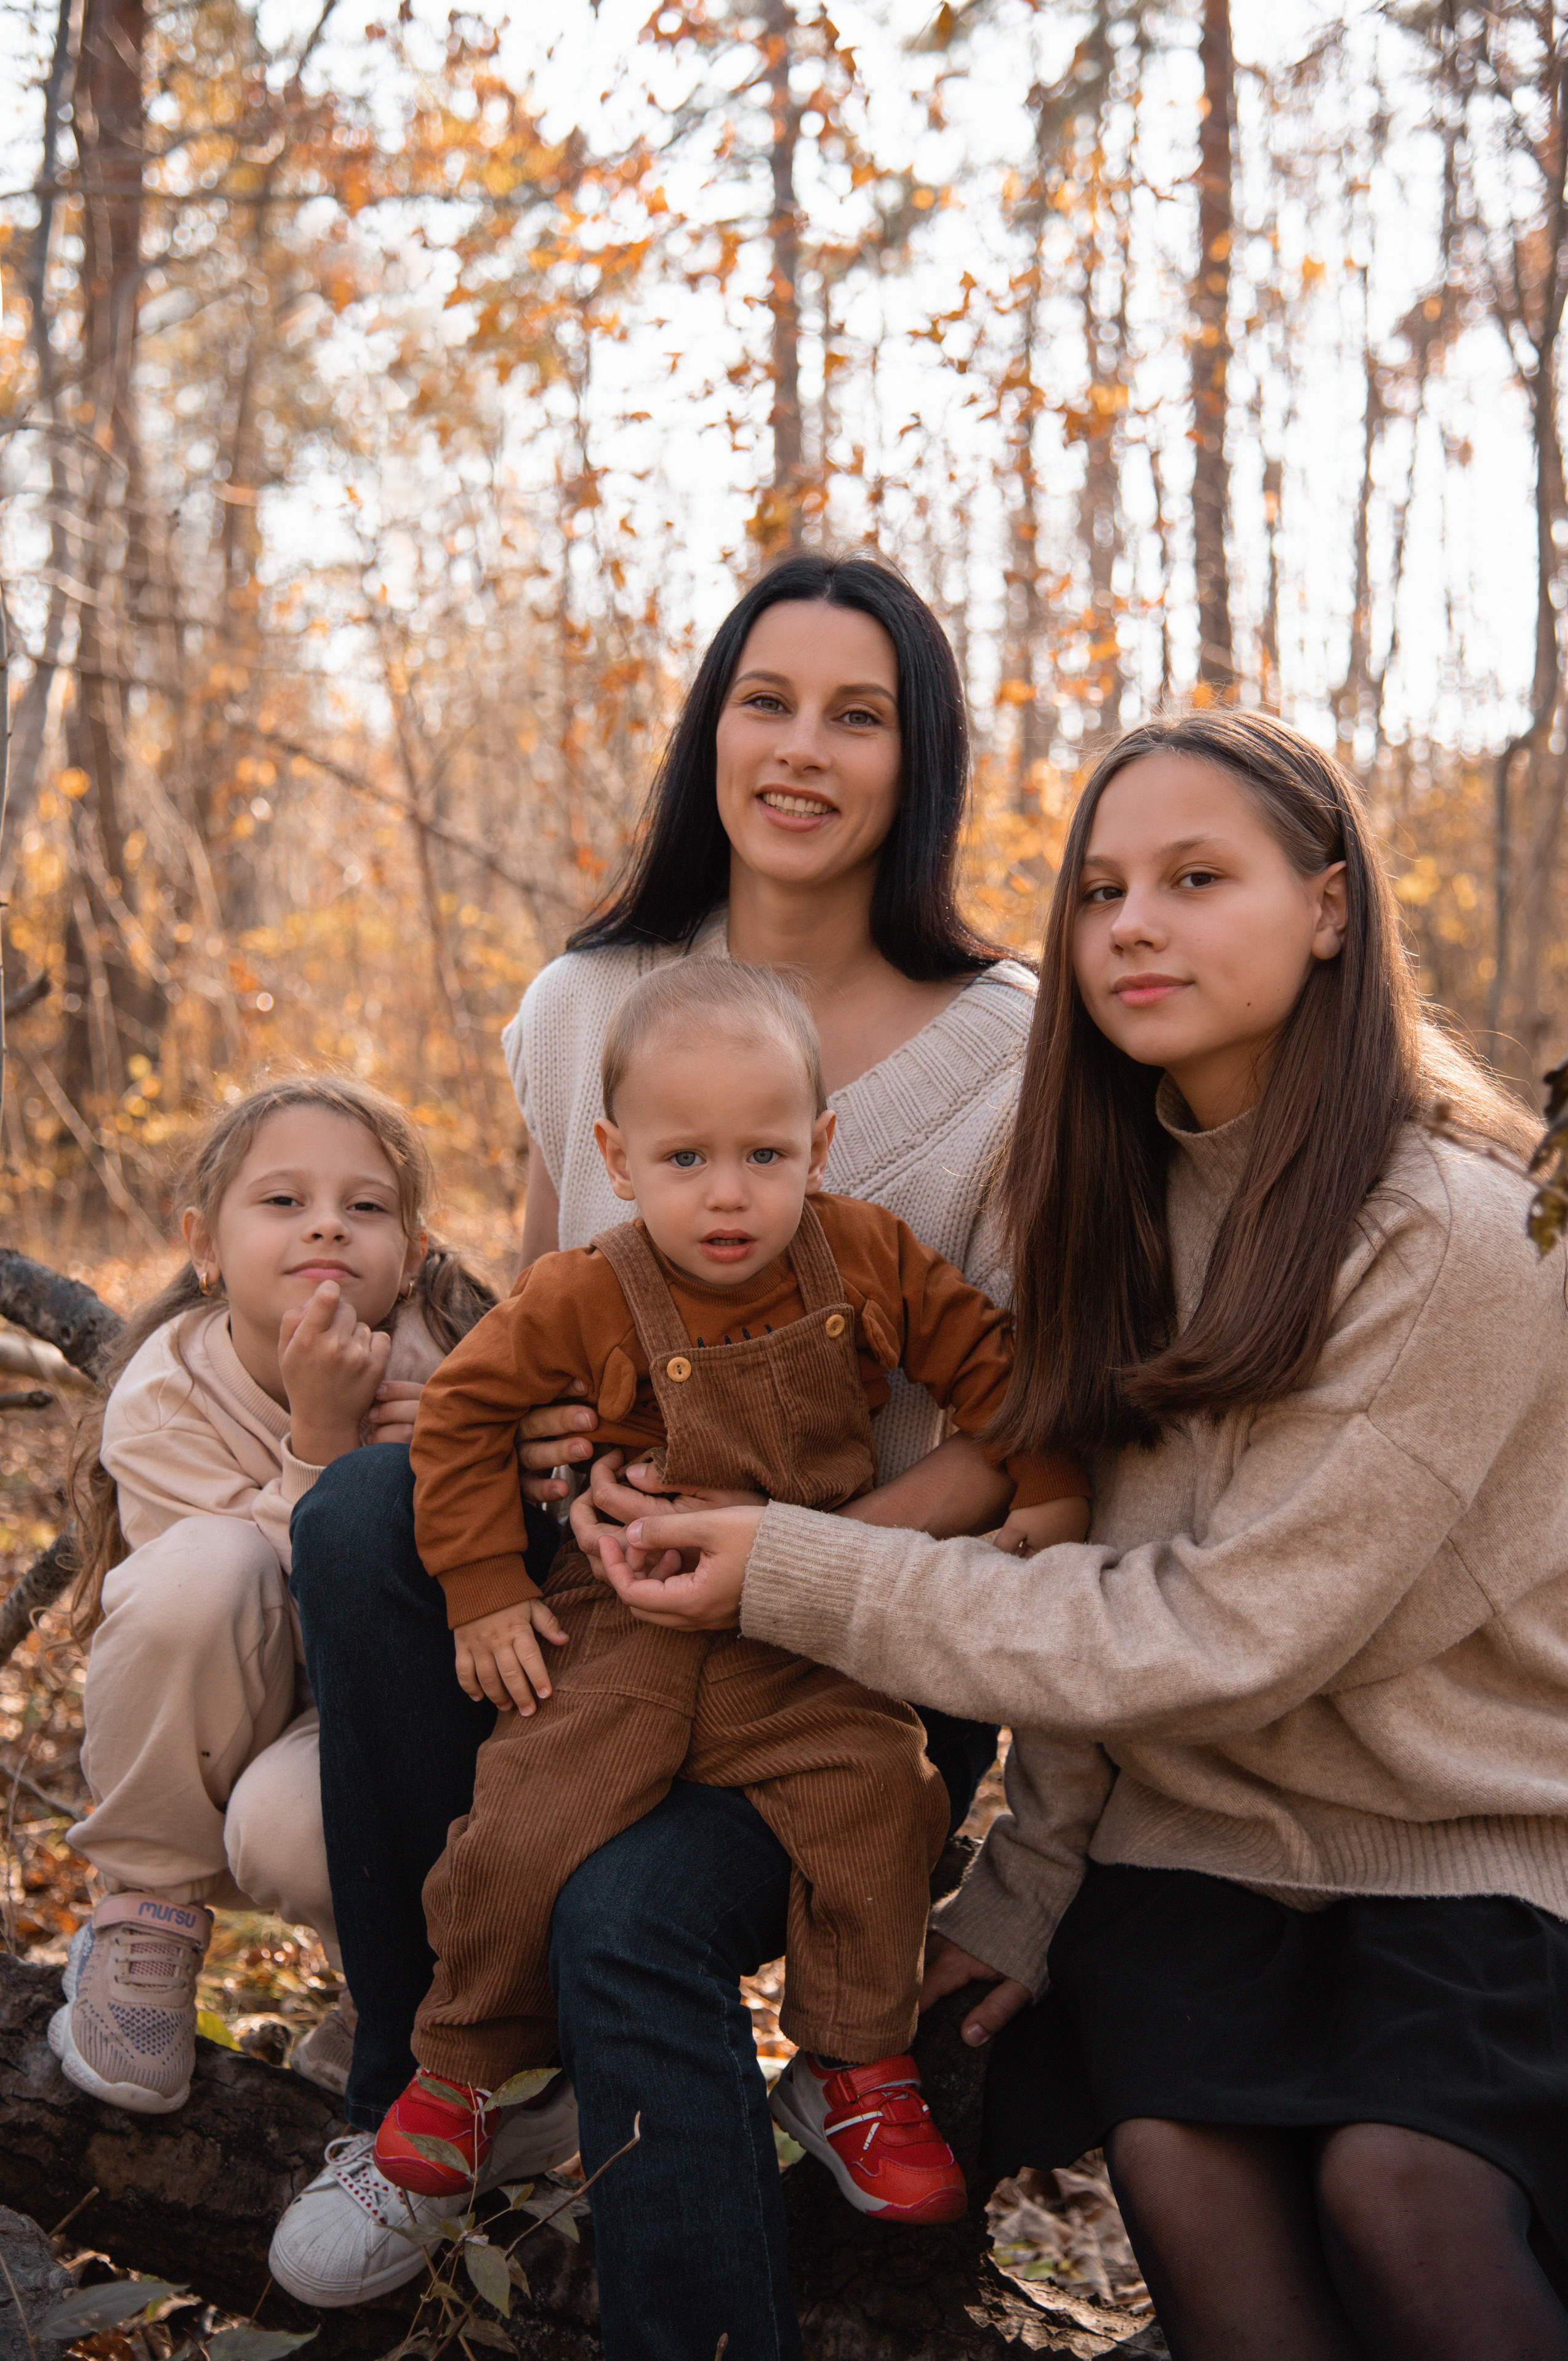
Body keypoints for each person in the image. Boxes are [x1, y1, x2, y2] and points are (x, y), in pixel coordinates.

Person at [605, 708, 1568, 2361]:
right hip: (1198, 1854)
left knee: (1400, 2194)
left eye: (1197, 879)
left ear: (1330, 907)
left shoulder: (1453, 1228)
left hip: (1476, 1852)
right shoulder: (1100, 1199)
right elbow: (1082, 1582)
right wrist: (1031, 1883)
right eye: (1102, 889)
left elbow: (1214, 1632)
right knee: (1185, 2167)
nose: (1133, 923)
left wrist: (791, 1562)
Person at [269, 550, 1039, 2345]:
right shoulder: (581, 1001)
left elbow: (1019, 1422)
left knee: (624, 1905)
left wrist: (806, 1557)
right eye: (766, 701)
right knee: (369, 1502)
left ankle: (750, 2183)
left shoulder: (1010, 1056)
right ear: (712, 731)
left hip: (860, 1633)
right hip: (609, 1607)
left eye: (859, 716)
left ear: (917, 763)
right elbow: (544, 1332)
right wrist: (555, 1468)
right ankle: (422, 2101)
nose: (801, 748)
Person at [373, 963, 1087, 2224]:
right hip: (620, 1628)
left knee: (882, 1801)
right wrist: (484, 1585)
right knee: (523, 1824)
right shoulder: (584, 1289)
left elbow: (987, 1359)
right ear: (617, 1156)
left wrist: (1044, 1492)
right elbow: (463, 1413)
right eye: (685, 1158)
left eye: (762, 1154)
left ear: (816, 1146)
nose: (726, 1193)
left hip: (797, 1623)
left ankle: (852, 2065)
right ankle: (467, 2065)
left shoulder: (860, 1254)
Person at [54, 1075, 488, 2113]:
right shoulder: (166, 1395)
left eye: (366, 1206)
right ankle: (145, 1922)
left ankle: (420, 2002)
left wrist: (481, 1446)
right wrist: (325, 1447)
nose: (328, 1224)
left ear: (414, 1249)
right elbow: (212, 1618)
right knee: (205, 1569)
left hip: (412, 1730)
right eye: (284, 1201)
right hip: (231, 1712)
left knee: (292, 1824)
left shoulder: (465, 1367)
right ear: (205, 1243)